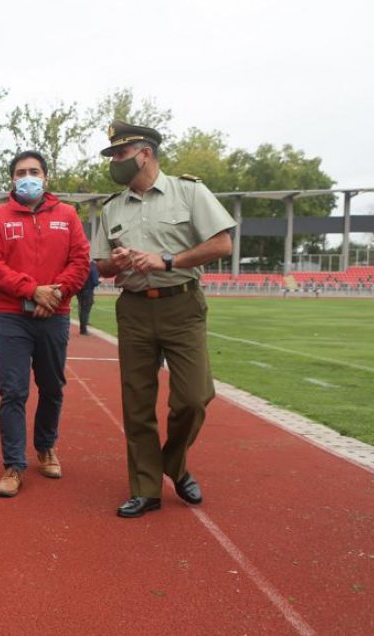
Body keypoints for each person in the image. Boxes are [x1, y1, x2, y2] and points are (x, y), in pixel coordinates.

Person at [91, 121, 235, 518]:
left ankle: (174, 463)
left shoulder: (189, 192)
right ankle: (145, 487)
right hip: (134, 308)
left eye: (120, 154)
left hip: (181, 304)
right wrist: (113, 262)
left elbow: (222, 242)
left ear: (145, 153)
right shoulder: (112, 208)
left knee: (194, 398)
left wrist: (168, 259)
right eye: (113, 156)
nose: (115, 162)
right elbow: (100, 266)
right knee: (137, 403)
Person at [0, 150, 91, 497]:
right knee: (13, 390)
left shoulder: (68, 215)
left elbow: (81, 260)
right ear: (12, 179)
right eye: (20, 172)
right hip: (12, 315)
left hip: (54, 315)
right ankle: (14, 464)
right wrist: (32, 291)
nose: (27, 177)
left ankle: (46, 446)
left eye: (34, 171)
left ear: (46, 177)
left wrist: (54, 295)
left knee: (53, 387)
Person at [77, 261, 101, 335]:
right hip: (88, 290)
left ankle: (83, 327)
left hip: (80, 290)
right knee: (86, 310)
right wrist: (99, 281)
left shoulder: (81, 265)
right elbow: (95, 281)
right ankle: (83, 329)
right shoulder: (93, 267)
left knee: (81, 309)